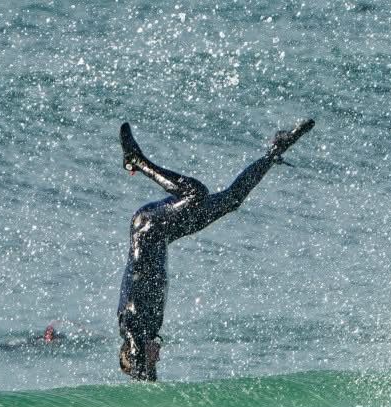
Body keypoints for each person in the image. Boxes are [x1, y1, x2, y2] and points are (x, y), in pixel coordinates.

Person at [116, 118, 314, 380]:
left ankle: (137, 160)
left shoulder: (131, 325)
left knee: (195, 193)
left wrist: (144, 375)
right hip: (163, 233)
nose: (159, 356)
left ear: (137, 352)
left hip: (149, 226)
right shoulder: (150, 327)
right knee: (233, 199)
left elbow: (135, 355)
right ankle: (275, 151)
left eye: (154, 360)